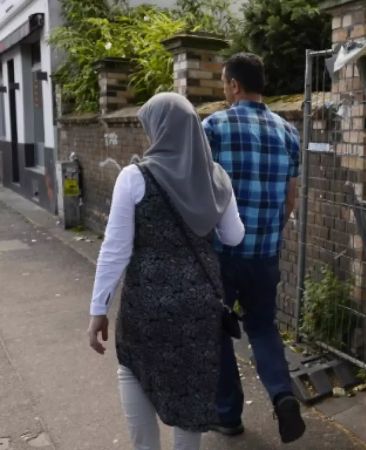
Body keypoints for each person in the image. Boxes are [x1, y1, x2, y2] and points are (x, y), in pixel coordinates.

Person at [86, 92, 245, 450]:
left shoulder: (134, 177)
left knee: (134, 369)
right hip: (199, 306)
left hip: (146, 302)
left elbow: (115, 250)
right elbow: (234, 237)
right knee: (191, 388)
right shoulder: (217, 177)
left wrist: (98, 309)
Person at [202, 52, 305, 443]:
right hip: (265, 254)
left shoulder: (212, 127)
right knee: (262, 327)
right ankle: (282, 396)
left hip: (222, 254)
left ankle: (228, 414)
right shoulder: (287, 132)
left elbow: (200, 193)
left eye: (225, 84)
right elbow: (290, 199)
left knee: (218, 329)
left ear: (233, 85)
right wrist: (271, 232)